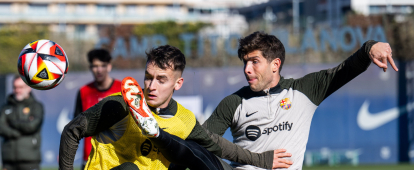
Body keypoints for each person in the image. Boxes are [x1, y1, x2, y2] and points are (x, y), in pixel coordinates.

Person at [60, 45, 292, 170]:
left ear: (177, 84)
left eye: (161, 80)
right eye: (148, 77)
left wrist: (262, 160)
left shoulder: (185, 120)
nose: (151, 86)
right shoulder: (121, 104)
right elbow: (72, 131)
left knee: (195, 156)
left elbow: (220, 146)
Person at [203, 31, 398, 170]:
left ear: (275, 64)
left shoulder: (304, 90)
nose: (247, 69)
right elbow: (201, 143)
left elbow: (345, 70)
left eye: (254, 61)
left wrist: (369, 47)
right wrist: (255, 160)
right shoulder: (233, 102)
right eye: (245, 62)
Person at [74, 49, 122, 167]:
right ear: (90, 68)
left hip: (117, 157)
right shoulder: (83, 92)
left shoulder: (122, 89)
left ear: (109, 67)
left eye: (103, 66)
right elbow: (77, 126)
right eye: (95, 66)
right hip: (90, 157)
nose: (99, 70)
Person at [0, 76, 44, 170]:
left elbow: (32, 126)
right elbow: (1, 127)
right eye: (15, 87)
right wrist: (15, 132)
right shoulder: (6, 107)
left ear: (28, 88)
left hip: (30, 159)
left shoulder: (36, 106)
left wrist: (11, 122)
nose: (17, 90)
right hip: (8, 160)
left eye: (21, 87)